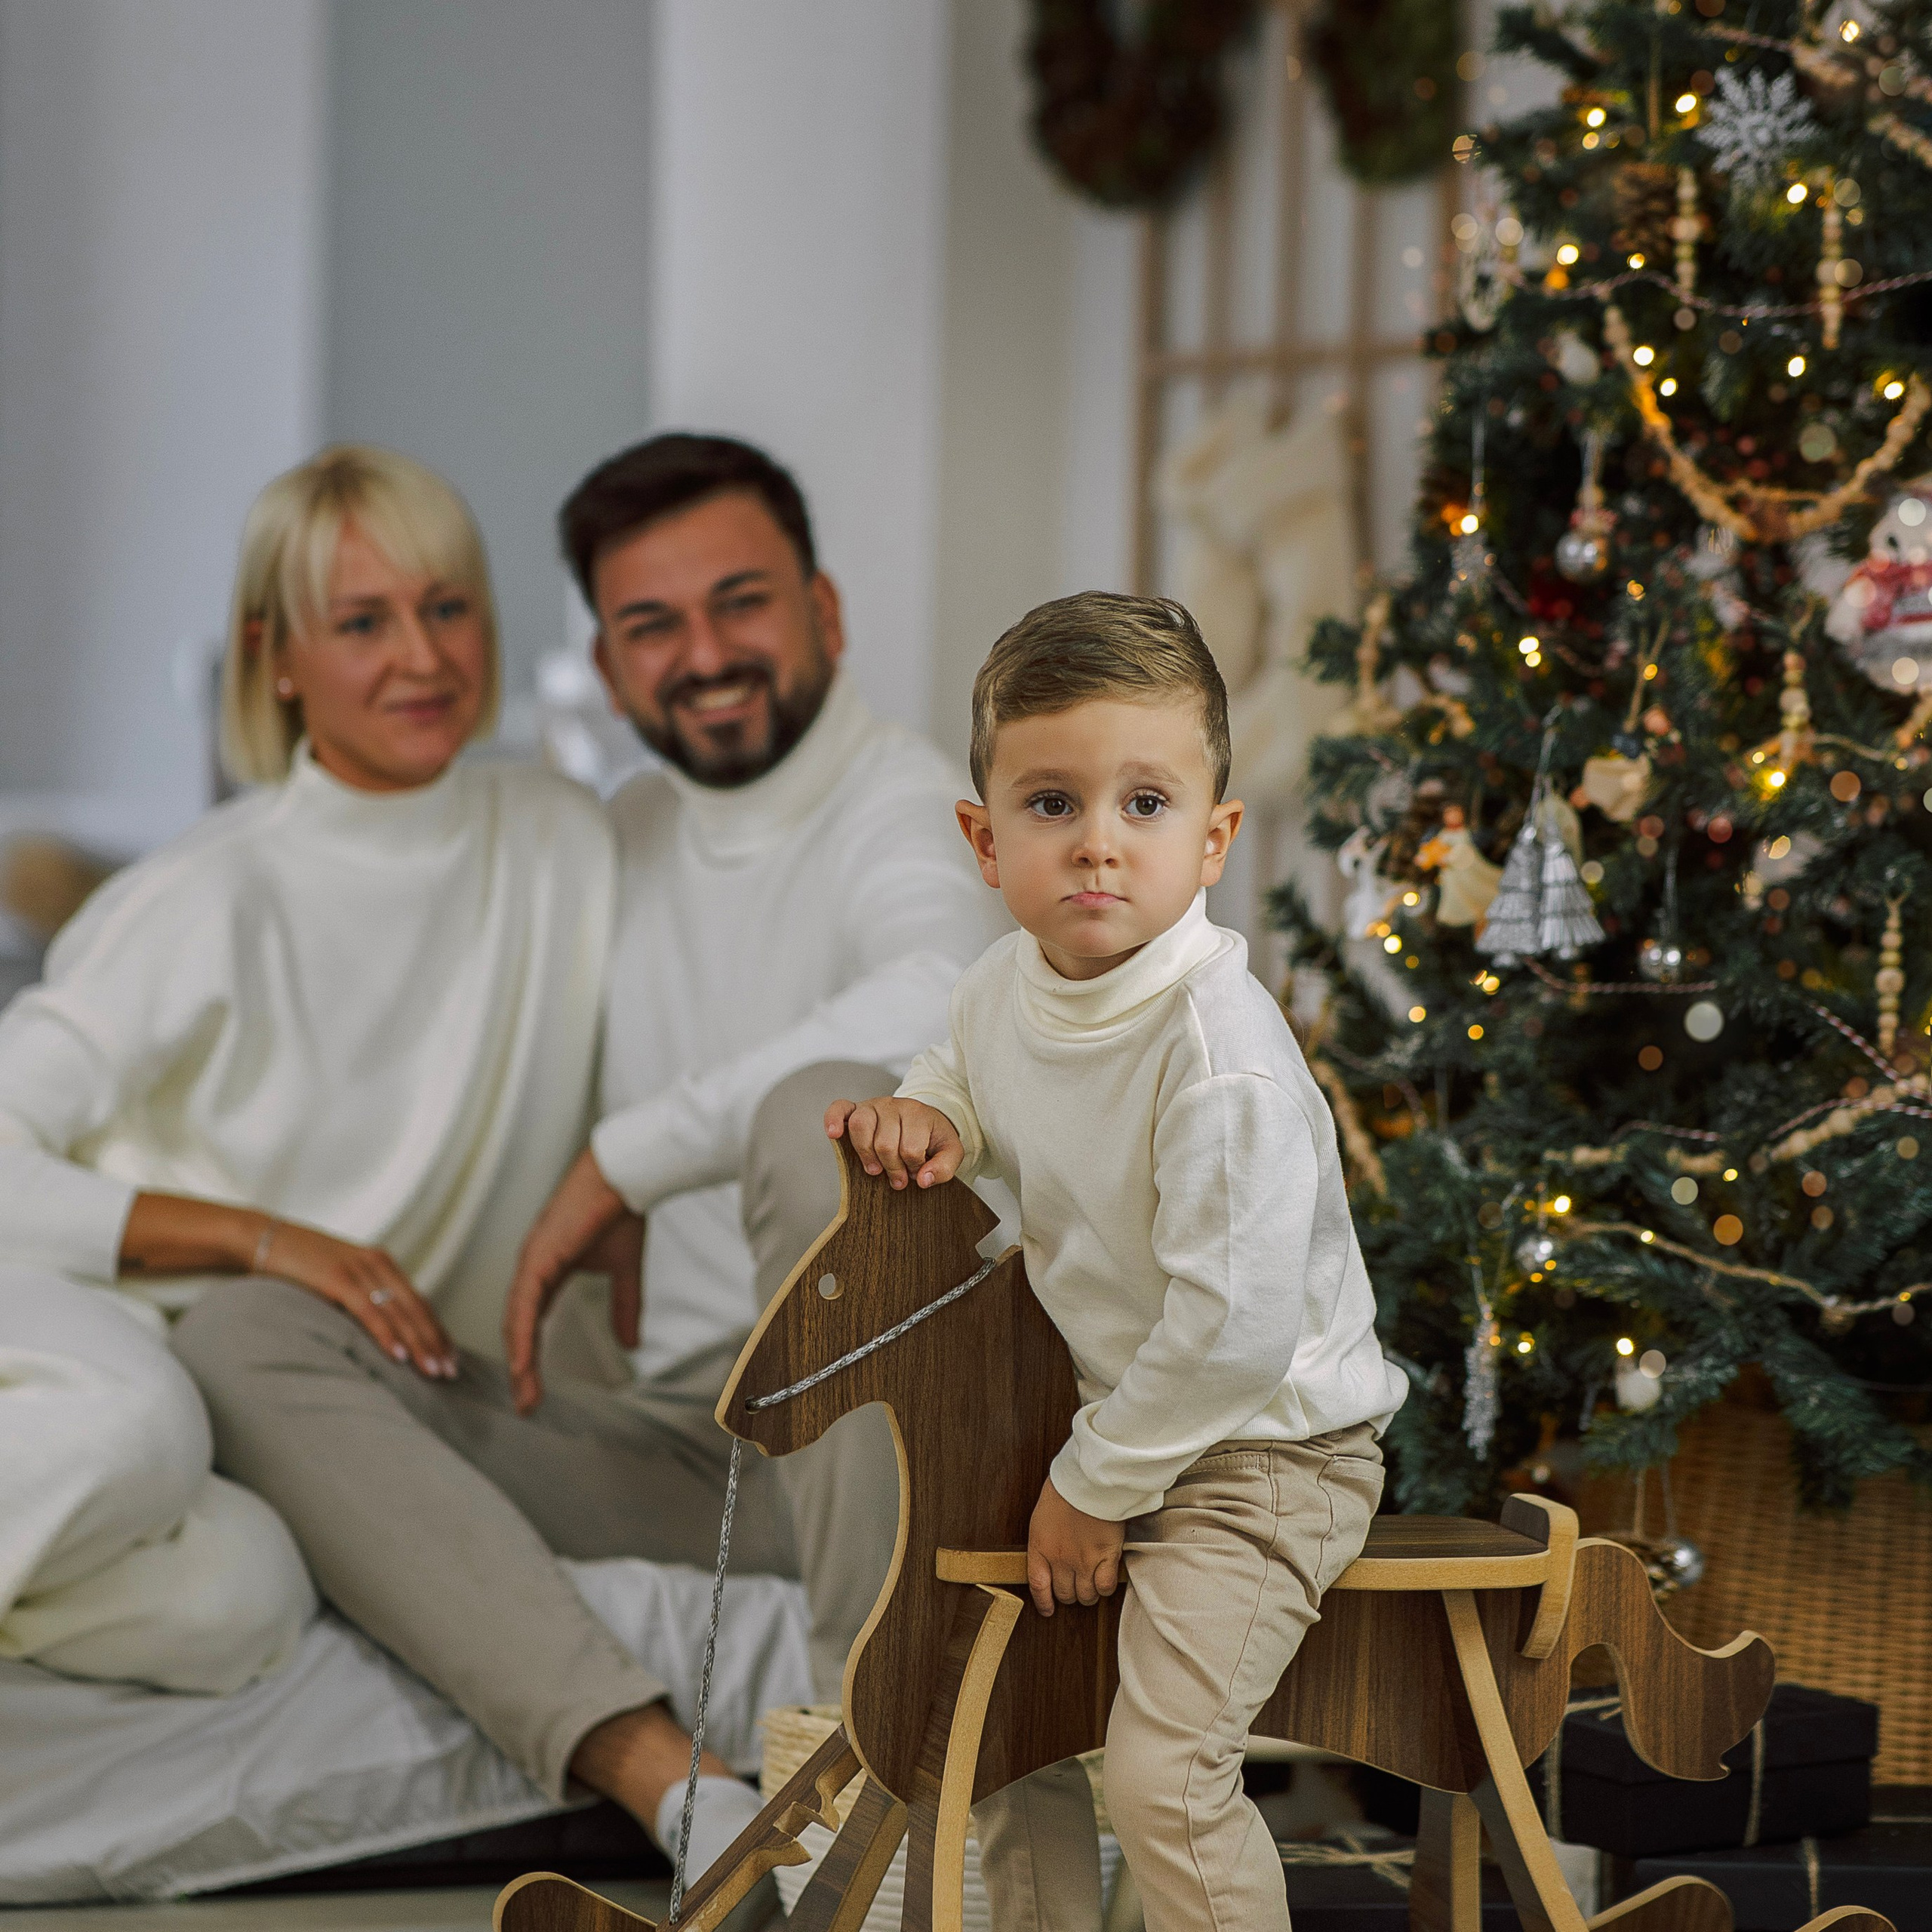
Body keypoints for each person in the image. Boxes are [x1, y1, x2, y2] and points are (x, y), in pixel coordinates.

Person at [182, 433, 997, 1873]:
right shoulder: (607, 838)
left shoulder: (917, 813)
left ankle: (887, 1773)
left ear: (827, 612)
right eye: (651, 626)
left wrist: (624, 1161)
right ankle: (684, 1792)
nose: (705, 654)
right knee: (245, 1332)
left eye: (741, 602)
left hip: (888, 1465)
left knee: (830, 1118)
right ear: (610, 668)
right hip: (676, 1443)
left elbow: (939, 992)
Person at [831, 592, 1407, 1932]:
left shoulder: (1222, 1054)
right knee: (1009, 1735)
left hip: (1271, 1455)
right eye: (1052, 805)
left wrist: (1090, 1489)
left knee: (1162, 1776)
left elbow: (1233, 1330)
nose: (1098, 846)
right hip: (1120, 1438)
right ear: (984, 840)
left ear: (1213, 839)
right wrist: (933, 1120)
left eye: (1145, 804)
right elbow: (960, 1071)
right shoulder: (1001, 984)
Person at [0, 446, 614, 1700]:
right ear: (275, 654)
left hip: (250, 1399)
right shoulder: (207, 891)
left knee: (243, 1600)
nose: (425, 658)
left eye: (448, 608)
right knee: (135, 1436)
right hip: (78, 1309)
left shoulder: (566, 845)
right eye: (363, 622)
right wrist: (268, 1241)